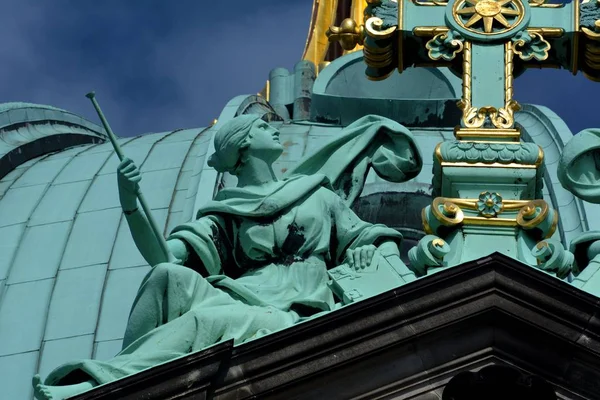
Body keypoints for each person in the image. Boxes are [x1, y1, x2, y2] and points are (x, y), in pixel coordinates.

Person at [33, 114, 421, 400]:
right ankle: (120, 382)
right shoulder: (226, 211)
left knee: (207, 320)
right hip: (248, 294)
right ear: (245, 146)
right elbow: (163, 257)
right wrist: (131, 204)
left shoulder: (316, 194)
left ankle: (106, 382)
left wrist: (371, 254)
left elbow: (366, 236)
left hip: (298, 307)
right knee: (167, 276)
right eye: (262, 126)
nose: (273, 128)